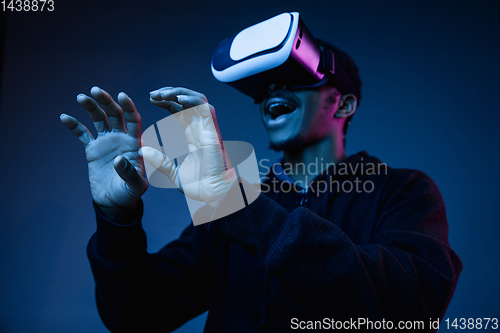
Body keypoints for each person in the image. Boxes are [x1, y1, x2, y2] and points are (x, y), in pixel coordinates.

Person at [60, 39, 462, 332]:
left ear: (343, 104)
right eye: (264, 86)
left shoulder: (402, 191)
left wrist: (238, 206)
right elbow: (137, 316)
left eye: (293, 79)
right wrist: (117, 220)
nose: (272, 92)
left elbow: (411, 309)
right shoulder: (236, 199)